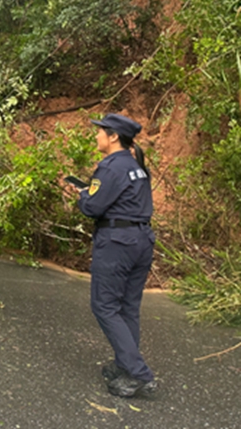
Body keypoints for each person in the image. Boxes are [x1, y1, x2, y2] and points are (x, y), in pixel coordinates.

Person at [75, 113, 157, 398]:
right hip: (141, 239)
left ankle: (138, 373)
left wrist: (81, 195)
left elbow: (93, 208)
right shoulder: (135, 166)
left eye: (100, 131)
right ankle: (125, 364)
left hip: (118, 243)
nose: (96, 135)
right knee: (127, 307)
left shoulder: (111, 167)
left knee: (104, 306)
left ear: (113, 137)